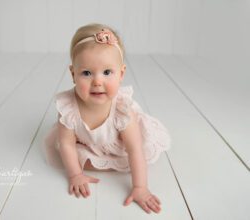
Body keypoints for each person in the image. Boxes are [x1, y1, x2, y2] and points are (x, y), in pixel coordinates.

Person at [44, 23, 171, 214]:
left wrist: (140, 188)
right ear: (73, 74)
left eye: (107, 72)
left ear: (121, 74)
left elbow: (134, 149)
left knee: (134, 153)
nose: (97, 82)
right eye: (86, 73)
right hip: (87, 144)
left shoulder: (123, 110)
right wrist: (76, 175)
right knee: (69, 155)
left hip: (120, 146)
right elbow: (67, 144)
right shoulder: (68, 108)